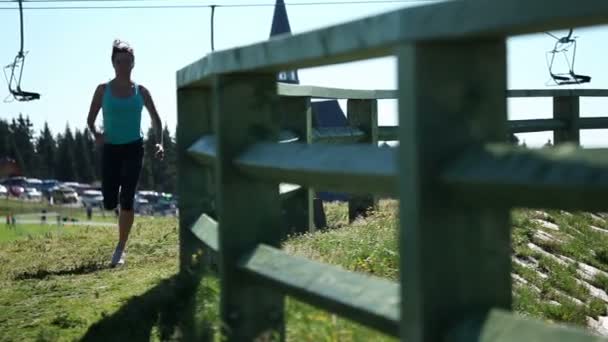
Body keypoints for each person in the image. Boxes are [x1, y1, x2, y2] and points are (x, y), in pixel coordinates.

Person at [87, 39, 164, 267]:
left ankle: (120, 248)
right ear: (113, 63)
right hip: (111, 149)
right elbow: (90, 120)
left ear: (133, 63)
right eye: (119, 61)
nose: (123, 65)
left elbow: (156, 120)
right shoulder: (103, 90)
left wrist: (159, 143)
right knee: (110, 201)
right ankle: (118, 208)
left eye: (128, 61)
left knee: (127, 197)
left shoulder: (141, 91)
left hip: (134, 147)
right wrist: (96, 134)